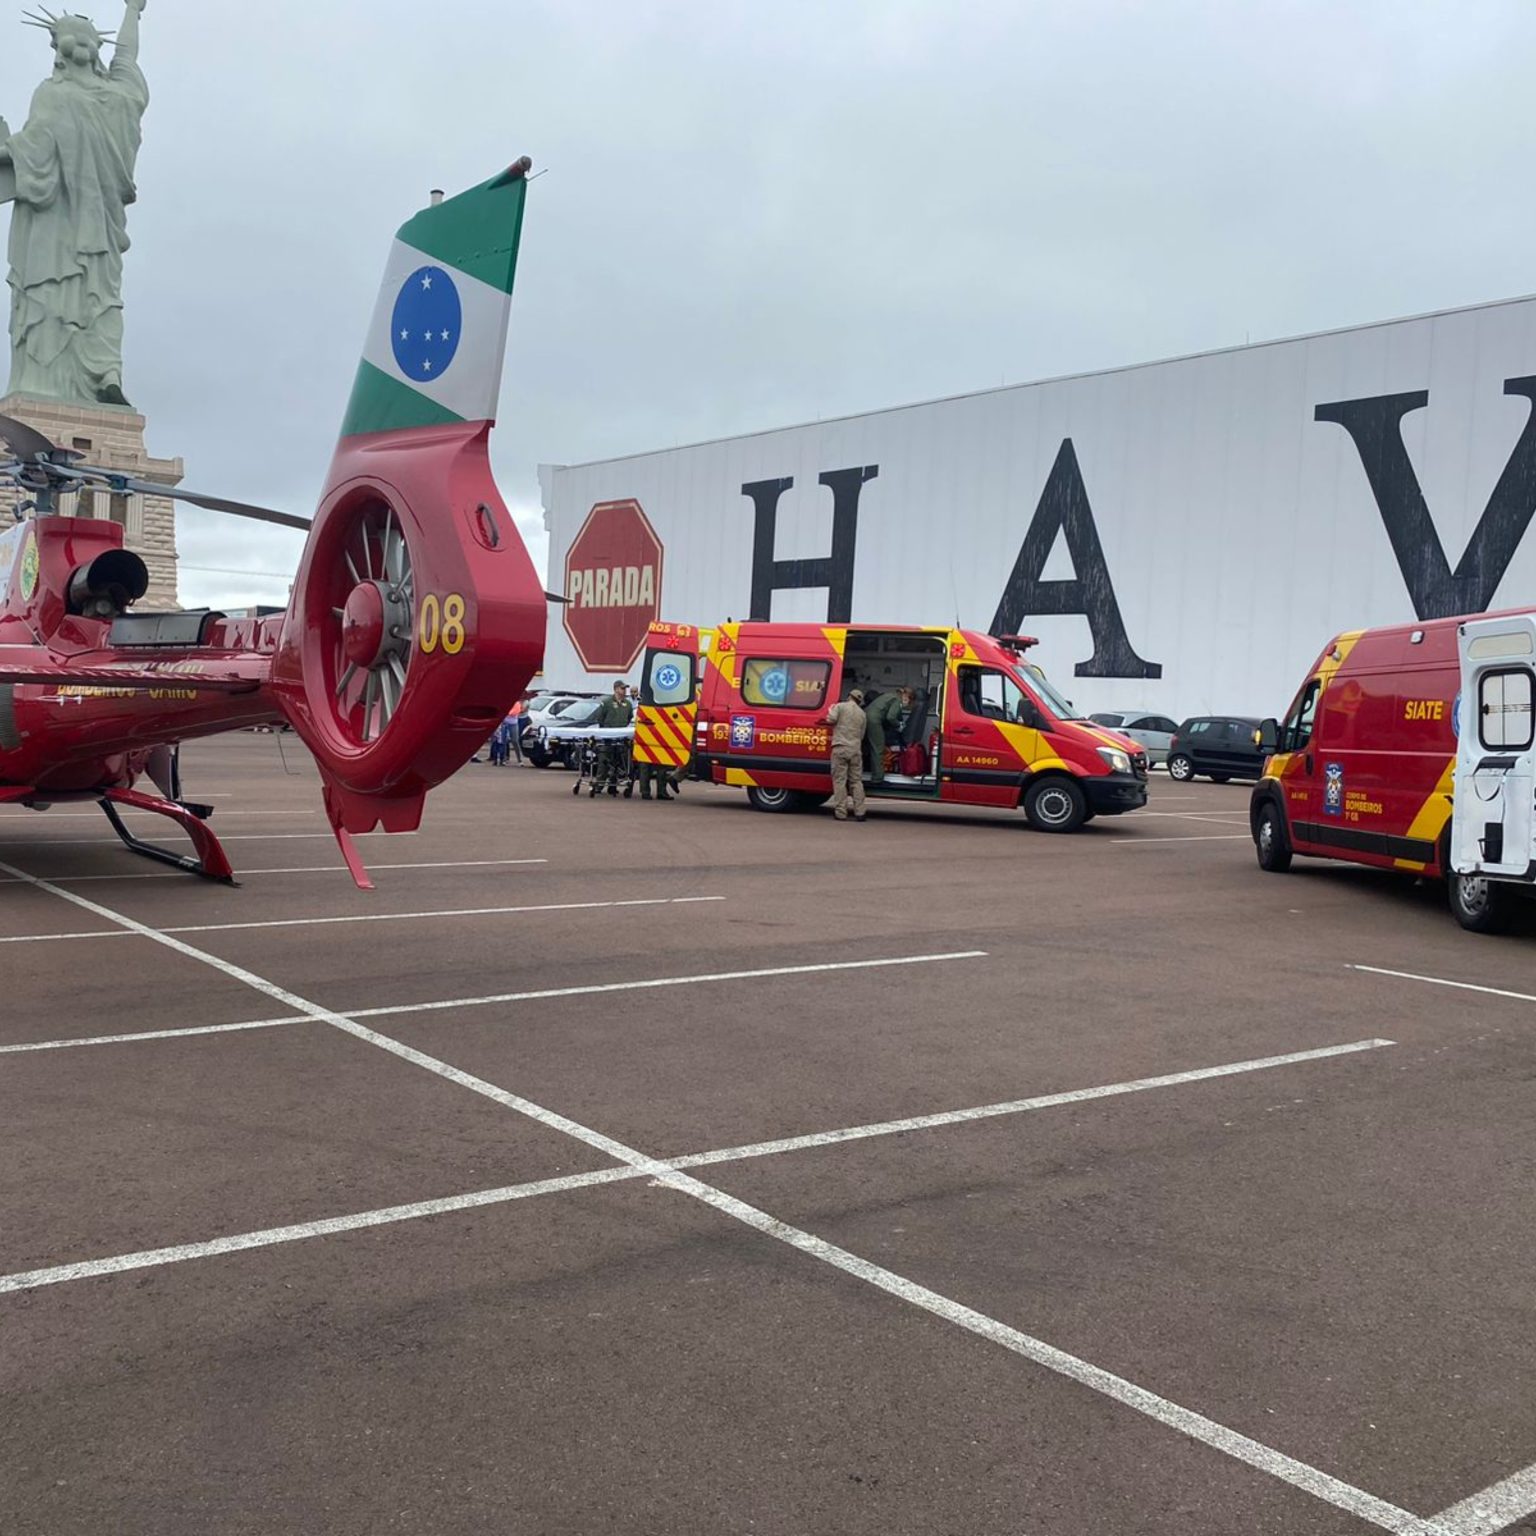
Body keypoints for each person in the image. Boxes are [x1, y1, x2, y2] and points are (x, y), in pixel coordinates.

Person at [824, 688, 868, 822]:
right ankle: (860, 812)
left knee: (840, 781)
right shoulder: (862, 714)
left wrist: (831, 709)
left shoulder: (840, 707)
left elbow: (830, 720)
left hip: (840, 748)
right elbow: (862, 734)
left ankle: (841, 812)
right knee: (856, 781)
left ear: (849, 696)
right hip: (855, 750)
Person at [591, 680, 633, 797]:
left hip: (620, 738)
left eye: (625, 689)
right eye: (622, 688)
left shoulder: (628, 704)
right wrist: (606, 730)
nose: (624, 691)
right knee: (604, 761)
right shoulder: (607, 702)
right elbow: (600, 717)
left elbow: (629, 717)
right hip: (607, 738)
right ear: (615, 689)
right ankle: (599, 785)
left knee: (618, 763)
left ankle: (612, 786)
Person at [864, 686, 913, 783]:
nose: (908, 703)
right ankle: (877, 779)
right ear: (906, 696)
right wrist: (899, 725)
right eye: (909, 700)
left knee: (871, 747)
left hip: (868, 718)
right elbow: (891, 717)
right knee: (878, 748)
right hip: (873, 721)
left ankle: (874, 774)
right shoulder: (897, 700)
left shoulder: (891, 696)